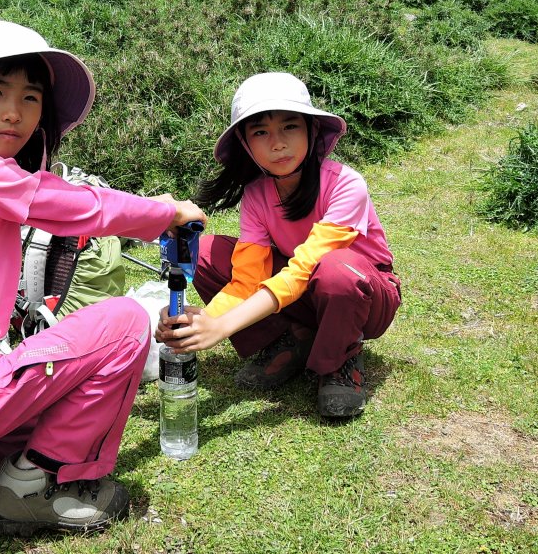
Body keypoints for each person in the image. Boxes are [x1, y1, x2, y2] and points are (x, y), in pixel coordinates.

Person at [0, 19, 205, 548]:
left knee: (51, 404)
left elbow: (54, 194)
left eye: (30, 98)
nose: (14, 112)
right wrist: (166, 212)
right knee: (123, 324)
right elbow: (84, 208)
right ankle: (29, 489)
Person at [156, 72, 400, 420]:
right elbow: (246, 280)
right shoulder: (257, 194)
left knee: (334, 270)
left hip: (364, 294)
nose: (277, 143)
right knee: (208, 253)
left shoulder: (346, 184)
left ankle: (340, 359)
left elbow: (304, 268)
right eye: (260, 132)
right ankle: (291, 338)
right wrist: (201, 321)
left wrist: (222, 327)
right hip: (305, 291)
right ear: (245, 144)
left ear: (311, 130)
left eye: (290, 126)